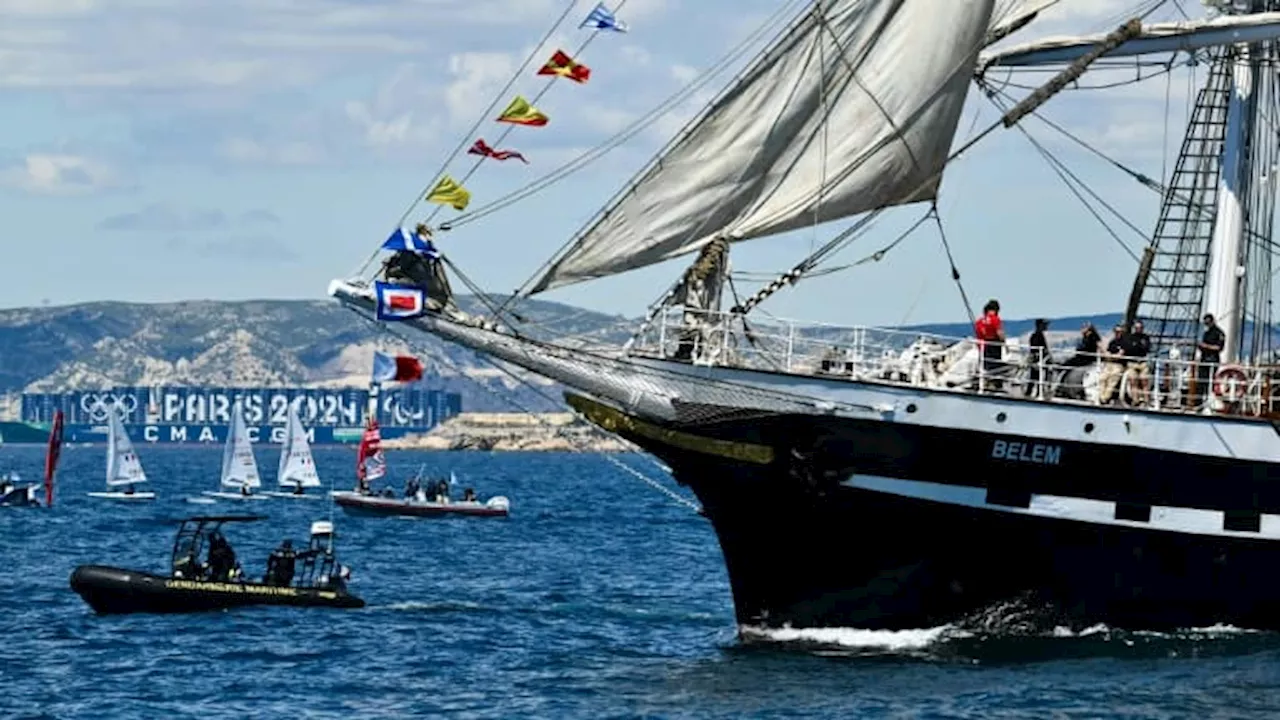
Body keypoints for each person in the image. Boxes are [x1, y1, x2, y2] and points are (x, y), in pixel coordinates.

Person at [1194, 313, 1226, 409]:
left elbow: (1219, 347)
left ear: (1212, 321)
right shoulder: (1206, 333)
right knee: (1200, 382)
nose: (1206, 325)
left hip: (1212, 360)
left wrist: (1206, 346)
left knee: (1209, 381)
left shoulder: (1219, 333)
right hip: (1204, 359)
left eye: (1207, 322)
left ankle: (1209, 402)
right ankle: (1198, 403)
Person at [973, 299, 1006, 390]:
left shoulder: (980, 321)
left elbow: (978, 334)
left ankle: (980, 382)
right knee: (995, 366)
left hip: (984, 346)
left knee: (985, 365)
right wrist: (1004, 342)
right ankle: (995, 384)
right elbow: (999, 333)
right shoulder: (995, 319)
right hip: (994, 345)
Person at [1121, 320, 1152, 405]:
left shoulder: (1146, 338)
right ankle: (1135, 400)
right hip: (1132, 363)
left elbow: (1147, 348)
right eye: (1137, 328)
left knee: (1144, 380)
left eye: (1140, 328)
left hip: (1142, 362)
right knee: (1133, 380)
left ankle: (1146, 400)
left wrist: (1137, 347)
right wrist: (1137, 347)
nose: (1139, 329)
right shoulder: (1129, 338)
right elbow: (1129, 349)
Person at [1098, 324, 1128, 404]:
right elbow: (1107, 354)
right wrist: (1111, 356)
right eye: (1116, 331)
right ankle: (1101, 396)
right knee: (1102, 378)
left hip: (1119, 365)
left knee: (1113, 378)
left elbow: (1120, 355)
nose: (1118, 333)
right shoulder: (1112, 342)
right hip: (1109, 364)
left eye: (1120, 332)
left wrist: (1111, 356)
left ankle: (1105, 398)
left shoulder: (1125, 343)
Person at [1025, 318, 1050, 398]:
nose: (1046, 326)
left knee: (1035, 378)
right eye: (1045, 324)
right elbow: (1037, 349)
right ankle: (1037, 393)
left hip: (1038, 360)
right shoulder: (1038, 335)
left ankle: (1032, 393)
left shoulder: (1036, 335)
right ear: (1040, 325)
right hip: (1038, 360)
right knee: (1037, 377)